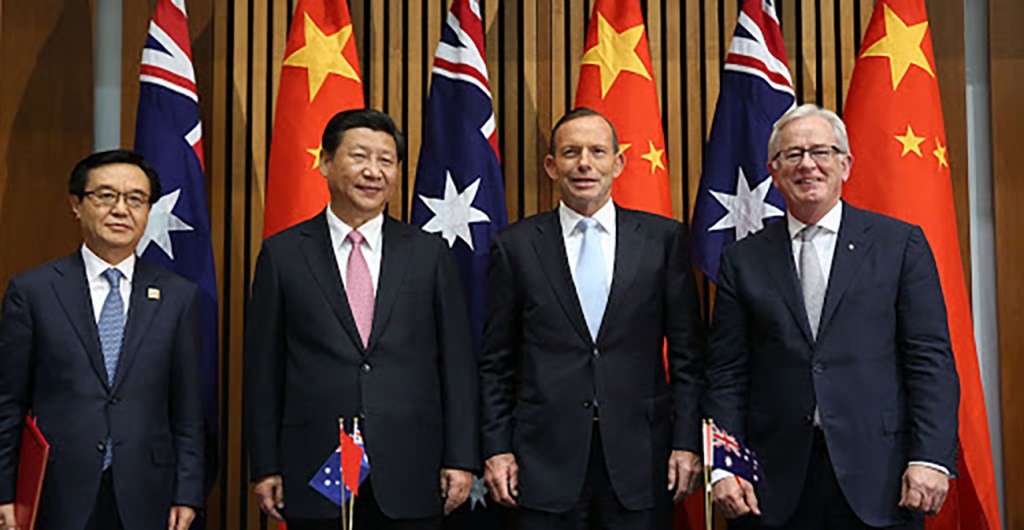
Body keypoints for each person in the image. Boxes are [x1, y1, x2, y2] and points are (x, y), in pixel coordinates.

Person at [705, 104, 960, 529]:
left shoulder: (899, 245)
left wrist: (931, 456)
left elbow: (930, 360)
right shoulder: (742, 259)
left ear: (846, 164)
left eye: (822, 152)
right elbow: (727, 373)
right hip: (772, 483)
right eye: (793, 154)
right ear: (773, 170)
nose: (808, 164)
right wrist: (726, 465)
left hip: (882, 477)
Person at [244, 109, 478, 530]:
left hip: (410, 463)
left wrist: (460, 458)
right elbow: (264, 369)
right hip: (321, 460)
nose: (373, 172)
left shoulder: (428, 255)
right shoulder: (283, 256)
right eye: (359, 156)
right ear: (325, 162)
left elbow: (457, 365)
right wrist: (265, 465)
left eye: (386, 161)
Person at [479, 108, 705, 529]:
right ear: (551, 166)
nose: (584, 163)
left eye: (597, 151)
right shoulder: (516, 247)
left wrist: (687, 441)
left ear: (617, 163)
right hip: (543, 462)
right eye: (571, 152)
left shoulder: (663, 240)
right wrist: (496, 449)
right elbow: (496, 362)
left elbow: (689, 356)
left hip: (642, 460)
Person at [0, 149, 205, 530]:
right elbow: (8, 402)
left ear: (148, 211)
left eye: (135, 199)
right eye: (105, 196)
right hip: (57, 489)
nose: (121, 210)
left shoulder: (178, 297)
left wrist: (188, 493)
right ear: (76, 205)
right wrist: (5, 492)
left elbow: (188, 408)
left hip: (148, 490)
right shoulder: (34, 291)